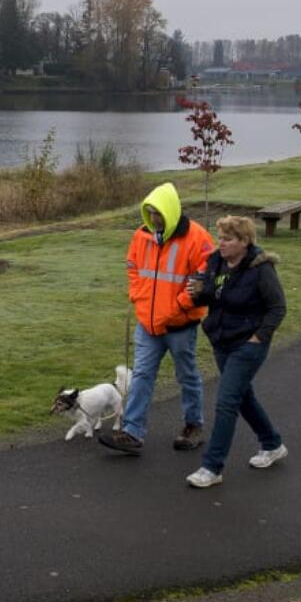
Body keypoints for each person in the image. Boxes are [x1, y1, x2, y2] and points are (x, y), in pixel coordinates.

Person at [99, 182, 215, 455]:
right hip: (148, 325)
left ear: (171, 211)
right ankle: (132, 432)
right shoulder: (142, 236)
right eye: (149, 212)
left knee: (186, 375)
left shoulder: (197, 238)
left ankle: (193, 426)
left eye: (158, 213)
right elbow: (133, 268)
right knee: (141, 375)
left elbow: (205, 277)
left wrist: (177, 306)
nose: (153, 219)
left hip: (180, 325)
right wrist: (139, 298)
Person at [184, 215, 287, 488]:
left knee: (227, 401)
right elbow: (213, 297)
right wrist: (199, 292)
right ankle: (272, 443)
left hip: (248, 344)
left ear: (245, 241)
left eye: (228, 239)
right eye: (220, 237)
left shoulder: (260, 268)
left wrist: (258, 337)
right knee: (242, 397)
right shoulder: (216, 261)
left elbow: (277, 308)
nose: (222, 243)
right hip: (221, 340)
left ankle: (212, 467)